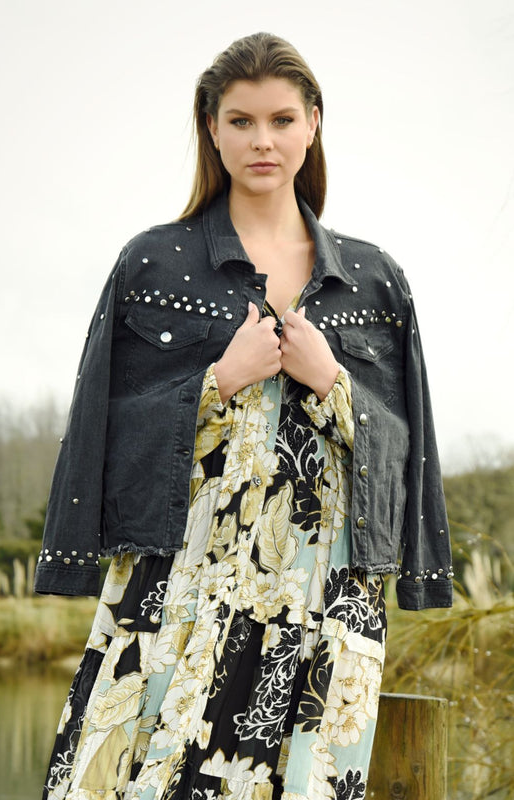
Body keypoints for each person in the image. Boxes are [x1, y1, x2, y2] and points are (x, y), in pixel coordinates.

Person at [35, 31, 453, 800]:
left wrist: (332, 382)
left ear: (312, 124)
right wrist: (218, 382)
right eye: (241, 121)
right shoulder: (151, 264)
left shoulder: (375, 281)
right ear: (211, 128)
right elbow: (99, 433)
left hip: (326, 595)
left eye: (281, 120)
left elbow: (408, 452)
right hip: (178, 584)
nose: (263, 140)